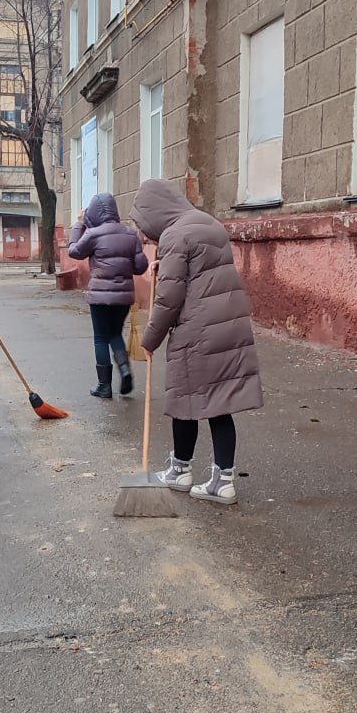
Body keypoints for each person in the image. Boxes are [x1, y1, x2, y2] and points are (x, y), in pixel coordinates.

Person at [130, 179, 262, 505]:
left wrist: (150, 339)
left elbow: (169, 299)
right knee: (221, 403)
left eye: (143, 224)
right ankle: (223, 481)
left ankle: (180, 470)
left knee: (184, 400)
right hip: (229, 323)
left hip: (197, 329)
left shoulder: (175, 235)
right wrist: (165, 264)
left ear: (154, 212)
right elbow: (201, 269)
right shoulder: (208, 223)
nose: (145, 233)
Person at [67, 192, 148, 398]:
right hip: (124, 297)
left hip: (100, 297)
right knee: (114, 333)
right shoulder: (130, 234)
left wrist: (79, 225)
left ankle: (104, 386)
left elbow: (74, 251)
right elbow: (140, 267)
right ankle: (125, 369)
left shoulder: (93, 234)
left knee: (101, 338)